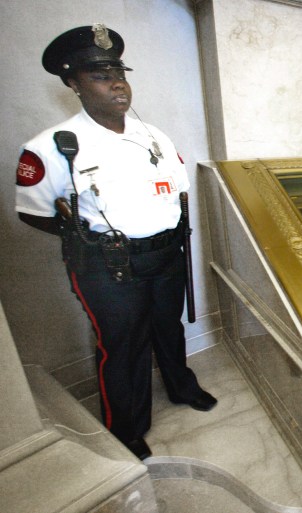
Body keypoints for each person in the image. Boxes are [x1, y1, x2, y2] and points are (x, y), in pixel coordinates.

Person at [14, 24, 216, 460]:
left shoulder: (154, 136)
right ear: (73, 83)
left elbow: (175, 192)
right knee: (122, 346)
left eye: (118, 71)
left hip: (165, 254)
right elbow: (31, 212)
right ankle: (127, 427)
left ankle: (182, 387)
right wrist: (89, 241)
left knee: (169, 327)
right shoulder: (52, 146)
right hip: (108, 266)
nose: (116, 82)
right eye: (99, 74)